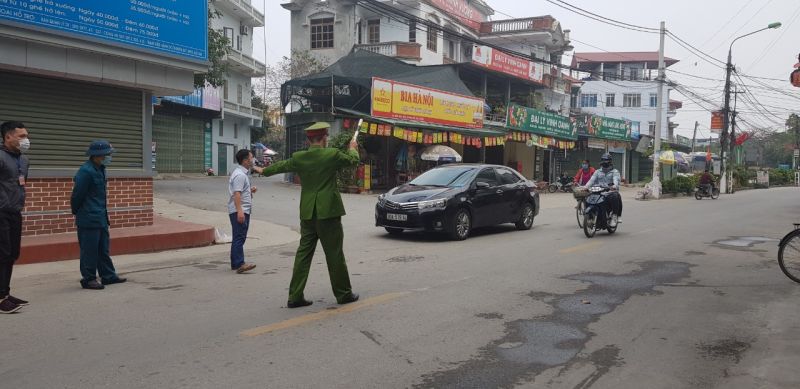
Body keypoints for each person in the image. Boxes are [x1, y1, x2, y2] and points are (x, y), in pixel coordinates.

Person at [253, 122, 360, 308]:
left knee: (303, 254)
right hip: (328, 212)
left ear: (308, 140)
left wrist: (264, 170)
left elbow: (282, 165)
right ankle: (343, 294)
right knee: (334, 255)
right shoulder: (332, 154)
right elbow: (352, 161)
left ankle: (295, 296)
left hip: (308, 213)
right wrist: (352, 148)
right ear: (325, 138)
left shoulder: (299, 157)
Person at [71, 141, 126, 290]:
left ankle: (108, 276)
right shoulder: (85, 171)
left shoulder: (101, 168)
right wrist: (79, 213)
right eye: (108, 154)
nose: (110, 157)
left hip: (101, 216)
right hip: (88, 218)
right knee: (89, 250)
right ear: (97, 155)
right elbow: (77, 195)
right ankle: (88, 279)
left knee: (103, 248)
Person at [0, 121, 30, 313]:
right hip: (0, 211)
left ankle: (5, 293)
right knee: (2, 254)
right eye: (21, 136)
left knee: (12, 253)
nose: (26, 140)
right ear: (7, 137)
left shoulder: (23, 160)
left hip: (15, 211)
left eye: (26, 136)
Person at [228, 149, 258, 274]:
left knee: (238, 237)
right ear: (245, 160)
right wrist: (239, 211)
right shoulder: (240, 175)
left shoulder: (241, 173)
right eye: (251, 157)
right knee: (240, 237)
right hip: (240, 210)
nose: (253, 159)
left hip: (240, 209)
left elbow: (240, 192)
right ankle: (240, 263)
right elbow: (237, 194)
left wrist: (250, 191)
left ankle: (236, 263)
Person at [584, 153, 623, 223]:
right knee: (588, 197)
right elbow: (591, 180)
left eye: (606, 160)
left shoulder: (615, 172)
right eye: (603, 160)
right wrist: (585, 187)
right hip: (598, 192)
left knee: (615, 196)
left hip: (609, 192)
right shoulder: (597, 172)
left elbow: (616, 180)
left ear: (610, 162)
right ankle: (589, 216)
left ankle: (614, 216)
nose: (605, 162)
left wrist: (614, 186)